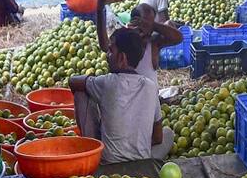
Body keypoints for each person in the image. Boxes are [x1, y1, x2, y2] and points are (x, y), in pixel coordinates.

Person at [69, 28, 174, 164]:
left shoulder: (108, 82)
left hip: (109, 164)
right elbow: (158, 137)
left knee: (80, 92)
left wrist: (91, 79)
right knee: (168, 133)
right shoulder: (151, 86)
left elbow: (72, 81)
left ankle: (91, 148)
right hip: (143, 163)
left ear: (122, 58)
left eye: (111, 50)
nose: (107, 55)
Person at [94, 0, 182, 83]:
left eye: (151, 24)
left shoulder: (153, 43)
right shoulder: (123, 38)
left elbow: (178, 38)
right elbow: (105, 46)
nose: (148, 28)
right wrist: (100, 10)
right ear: (134, 21)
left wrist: (154, 25)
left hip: (148, 95)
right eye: (144, 23)